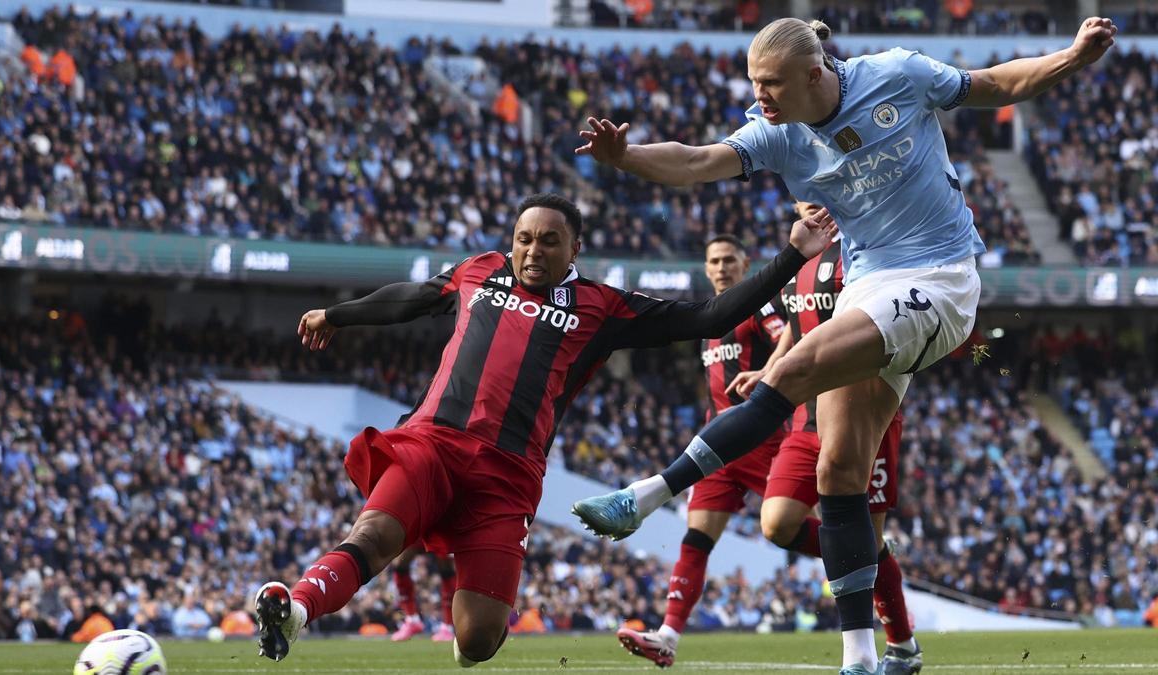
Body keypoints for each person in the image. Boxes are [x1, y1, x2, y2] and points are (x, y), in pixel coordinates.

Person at [570, 17, 1116, 675]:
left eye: (770, 84)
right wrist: (624, 157)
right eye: (754, 84)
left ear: (814, 73)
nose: (760, 97)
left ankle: (650, 492)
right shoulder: (778, 134)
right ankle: (867, 656)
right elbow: (695, 160)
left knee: (795, 364)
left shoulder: (897, 74)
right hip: (868, 286)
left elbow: (996, 83)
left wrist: (1075, 56)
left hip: (938, 276)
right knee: (837, 473)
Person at [253, 192, 837, 667]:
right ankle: (296, 609)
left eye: (549, 240)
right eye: (524, 239)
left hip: (507, 477)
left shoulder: (602, 306)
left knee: (479, 640)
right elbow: (410, 298)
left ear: (574, 248)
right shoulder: (477, 271)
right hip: (430, 443)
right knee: (376, 535)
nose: (533, 250)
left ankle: (467, 633)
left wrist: (791, 256)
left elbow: (708, 316)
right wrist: (337, 314)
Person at [617, 205, 919, 674]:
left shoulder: (770, 301)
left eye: (728, 261)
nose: (720, 268)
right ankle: (668, 634)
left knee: (857, 535)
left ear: (744, 264)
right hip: (736, 438)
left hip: (780, 432)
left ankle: (895, 636)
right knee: (710, 536)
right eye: (713, 262)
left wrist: (770, 371)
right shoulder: (717, 320)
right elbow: (795, 333)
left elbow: (794, 336)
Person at [388, 544, 457, 642]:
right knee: (400, 562)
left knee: (445, 567)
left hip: (439, 529)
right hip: (418, 529)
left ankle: (447, 627)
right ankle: (412, 620)